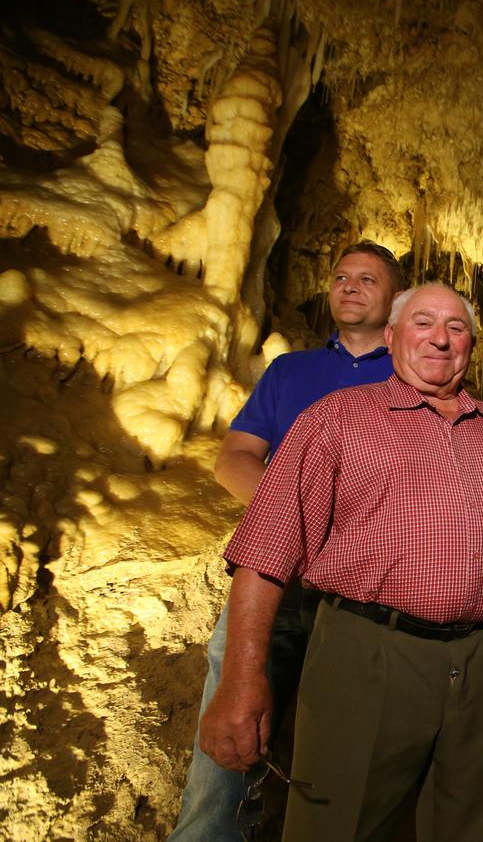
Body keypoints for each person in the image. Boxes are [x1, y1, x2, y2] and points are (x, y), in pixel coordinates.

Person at [198, 283, 483, 842]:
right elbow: (266, 551)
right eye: (424, 322)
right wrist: (243, 679)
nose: (441, 337)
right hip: (368, 650)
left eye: (456, 327)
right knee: (339, 823)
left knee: (471, 826)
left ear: (472, 345)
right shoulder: (336, 419)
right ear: (391, 337)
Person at [170, 240, 400, 841]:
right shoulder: (289, 370)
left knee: (344, 733)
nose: (349, 287)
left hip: (356, 587)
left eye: (367, 280)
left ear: (395, 298)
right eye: (342, 277)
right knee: (233, 720)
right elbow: (235, 458)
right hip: (272, 577)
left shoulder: (413, 372)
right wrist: (293, 525)